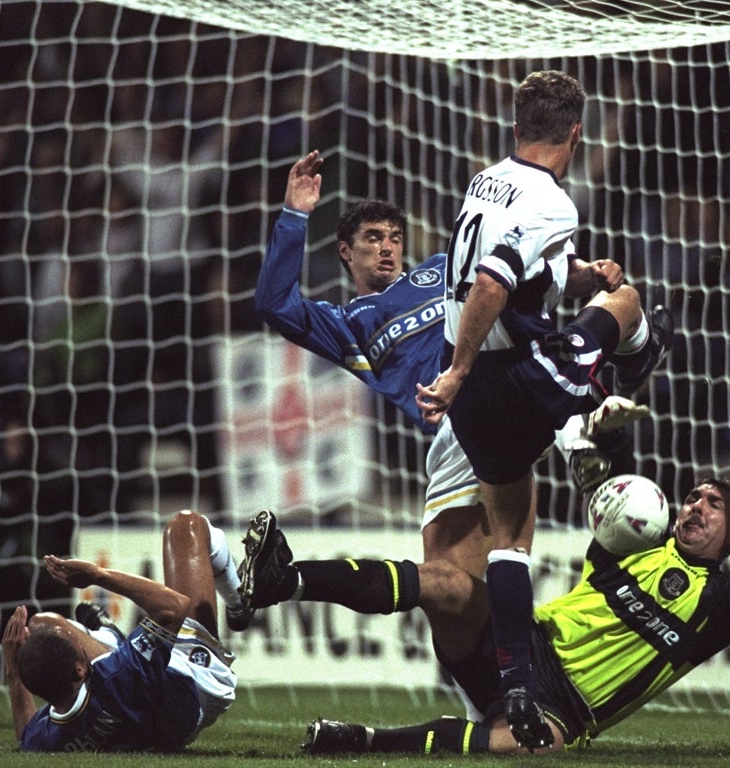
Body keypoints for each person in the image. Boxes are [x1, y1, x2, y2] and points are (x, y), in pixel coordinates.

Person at [253, 151, 648, 599]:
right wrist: (294, 214)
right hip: (453, 434)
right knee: (452, 594)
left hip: (495, 382)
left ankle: (581, 436)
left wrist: (587, 274)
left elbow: (528, 273)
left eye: (395, 238)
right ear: (345, 251)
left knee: (532, 360)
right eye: (373, 238)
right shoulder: (346, 325)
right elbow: (273, 304)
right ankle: (586, 424)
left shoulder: (442, 269)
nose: (387, 247)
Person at [414, 69, 672, 747]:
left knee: (512, 536)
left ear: (516, 126)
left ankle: (520, 686)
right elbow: (496, 281)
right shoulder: (554, 202)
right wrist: (465, 367)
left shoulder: (485, 179)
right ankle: (599, 407)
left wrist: (578, 273)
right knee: (630, 307)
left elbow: (520, 266)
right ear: (577, 135)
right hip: (506, 377)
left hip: (473, 399)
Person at [237, 475, 730, 755]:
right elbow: (615, 506)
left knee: (520, 746)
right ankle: (284, 578)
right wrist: (599, 458)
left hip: (567, 705)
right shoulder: (635, 548)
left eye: (715, 505)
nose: (698, 506)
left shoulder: (720, 602)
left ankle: (363, 741)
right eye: (695, 497)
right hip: (519, 645)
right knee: (446, 582)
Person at [0, 508, 246, 752]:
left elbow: (27, 735)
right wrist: (98, 575)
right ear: (80, 669)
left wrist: (13, 670)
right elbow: (174, 606)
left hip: (154, 723)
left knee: (42, 626)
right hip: (196, 682)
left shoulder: (50, 739)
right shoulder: (116, 674)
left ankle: (108, 633)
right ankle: (239, 603)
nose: (83, 648)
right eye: (82, 653)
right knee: (185, 525)